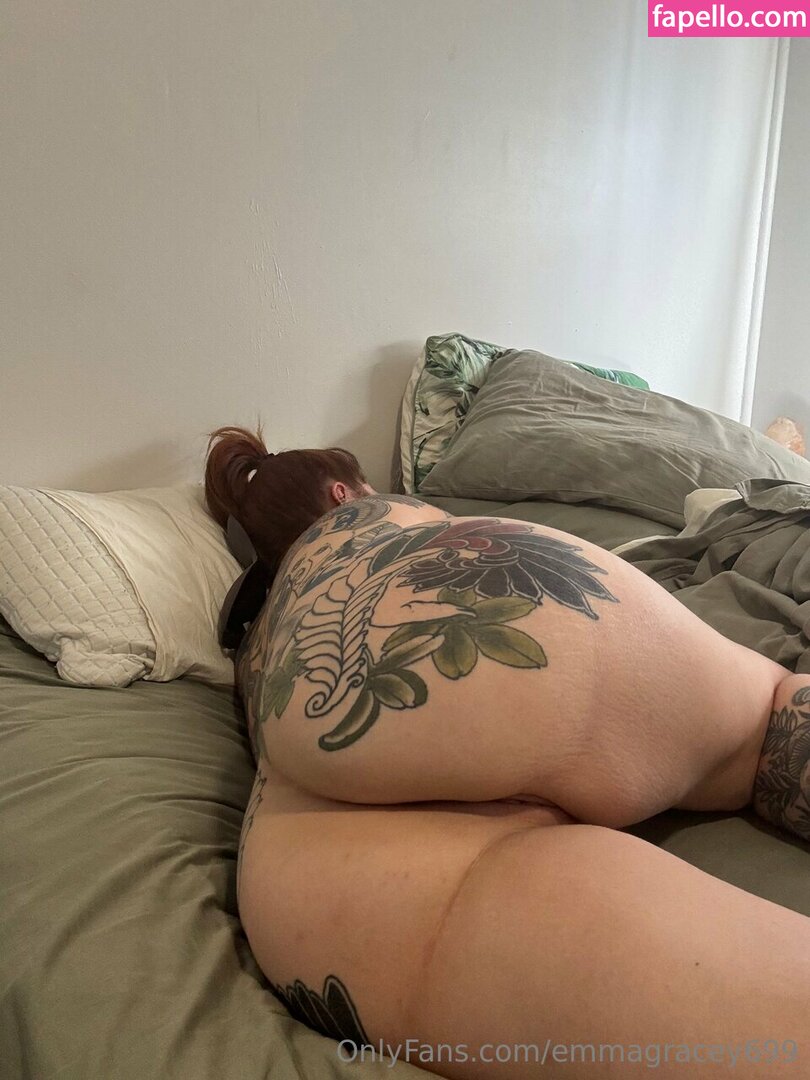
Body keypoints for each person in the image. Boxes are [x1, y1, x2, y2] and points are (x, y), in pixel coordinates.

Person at [205, 425, 810, 1080]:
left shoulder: (260, 636)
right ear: (343, 492)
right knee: (765, 722)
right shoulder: (382, 518)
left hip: (313, 843)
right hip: (471, 605)